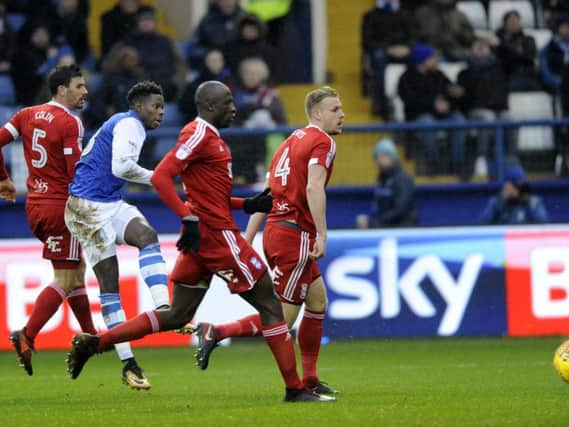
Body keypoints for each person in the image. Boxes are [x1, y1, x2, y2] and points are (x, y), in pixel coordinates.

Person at [65, 81, 335, 403]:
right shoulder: (198, 133)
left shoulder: (213, 139)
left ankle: (96, 343)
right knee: (270, 304)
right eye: (228, 101)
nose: (234, 108)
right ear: (210, 106)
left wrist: (245, 205)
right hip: (217, 237)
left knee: (178, 314)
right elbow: (164, 176)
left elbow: (211, 197)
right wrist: (186, 216)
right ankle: (295, 389)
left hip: (203, 238)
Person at [191, 86, 345, 396]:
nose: (342, 114)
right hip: (295, 235)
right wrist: (322, 234)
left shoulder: (288, 143)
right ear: (316, 114)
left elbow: (266, 197)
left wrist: (247, 238)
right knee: (281, 319)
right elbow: (315, 189)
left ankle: (311, 379)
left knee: (317, 301)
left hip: (276, 231)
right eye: (334, 110)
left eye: (341, 108)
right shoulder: (322, 141)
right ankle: (217, 331)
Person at [64, 81, 171, 390]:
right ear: (138, 106)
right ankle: (129, 364)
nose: (160, 112)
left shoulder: (125, 124)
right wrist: (158, 178)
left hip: (108, 202)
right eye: (155, 106)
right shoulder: (130, 123)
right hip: (86, 207)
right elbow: (122, 166)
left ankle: (164, 308)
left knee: (147, 235)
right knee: (110, 285)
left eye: (163, 107)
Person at [0, 65, 97, 376]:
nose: (85, 92)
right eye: (79, 86)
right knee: (66, 279)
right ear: (61, 89)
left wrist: (3, 179)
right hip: (62, 209)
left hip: (36, 208)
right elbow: (74, 172)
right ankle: (27, 334)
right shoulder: (70, 122)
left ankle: (92, 336)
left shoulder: (26, 115)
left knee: (75, 271)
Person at [398, 43, 466, 174]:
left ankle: (456, 165)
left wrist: (454, 98)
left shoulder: (439, 74)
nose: (436, 60)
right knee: (427, 122)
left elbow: (449, 91)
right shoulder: (406, 78)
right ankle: (433, 163)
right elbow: (410, 102)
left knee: (459, 120)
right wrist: (432, 105)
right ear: (422, 60)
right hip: (418, 117)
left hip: (443, 116)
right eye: (432, 57)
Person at [457, 38, 512, 178]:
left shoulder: (500, 68)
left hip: (499, 109)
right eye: (477, 46)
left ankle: (511, 158)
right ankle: (481, 159)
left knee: (509, 119)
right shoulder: (465, 72)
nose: (481, 48)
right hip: (476, 111)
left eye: (485, 45)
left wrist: (499, 44)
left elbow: (516, 57)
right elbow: (463, 99)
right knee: (487, 117)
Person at [361, 0, 414, 116]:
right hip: (382, 51)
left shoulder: (405, 14)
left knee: (417, 57)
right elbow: (367, 41)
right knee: (379, 57)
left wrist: (406, 48)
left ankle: (410, 101)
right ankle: (379, 103)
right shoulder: (370, 15)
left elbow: (413, 36)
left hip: (402, 50)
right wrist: (388, 49)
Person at [122, 6, 184, 101]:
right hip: (137, 90)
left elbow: (181, 65)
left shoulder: (166, 42)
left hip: (165, 89)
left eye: (149, 20)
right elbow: (113, 65)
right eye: (143, 20)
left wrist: (175, 82)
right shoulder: (128, 43)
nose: (146, 23)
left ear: (155, 23)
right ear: (138, 23)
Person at [356, 138, 417, 228]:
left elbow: (400, 210)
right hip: (385, 226)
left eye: (382, 156)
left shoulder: (403, 179)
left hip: (402, 228)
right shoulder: (382, 178)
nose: (378, 161)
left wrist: (374, 222)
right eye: (376, 157)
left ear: (391, 157)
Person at [83, 45, 142, 129]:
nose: (130, 61)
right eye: (127, 58)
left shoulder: (140, 79)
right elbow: (99, 100)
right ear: (121, 60)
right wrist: (105, 109)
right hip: (112, 121)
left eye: (133, 59)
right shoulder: (110, 79)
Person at [480, 165, 549, 224]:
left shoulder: (533, 202)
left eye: (520, 186)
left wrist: (527, 202)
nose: (517, 189)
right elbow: (483, 224)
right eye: (514, 186)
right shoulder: (496, 202)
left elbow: (543, 224)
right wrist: (500, 202)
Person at [178, 49, 231, 123]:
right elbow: (184, 105)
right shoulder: (195, 84)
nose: (215, 63)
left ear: (223, 62)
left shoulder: (231, 81)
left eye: (218, 60)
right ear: (206, 62)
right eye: (212, 60)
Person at [495, 10, 540, 91]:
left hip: (524, 75)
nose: (514, 23)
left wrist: (502, 45)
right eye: (511, 21)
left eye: (516, 20)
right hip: (504, 75)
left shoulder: (528, 40)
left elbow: (528, 57)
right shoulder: (497, 39)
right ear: (505, 24)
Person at [223, 13, 277, 80]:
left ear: (259, 30)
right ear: (241, 30)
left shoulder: (268, 50)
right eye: (247, 28)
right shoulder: (230, 48)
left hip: (262, 86)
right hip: (236, 85)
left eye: (254, 28)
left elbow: (273, 73)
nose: (250, 31)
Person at [540, 16, 569, 95]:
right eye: (565, 26)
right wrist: (562, 82)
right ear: (557, 29)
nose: (567, 30)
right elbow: (546, 73)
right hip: (557, 86)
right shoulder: (548, 50)